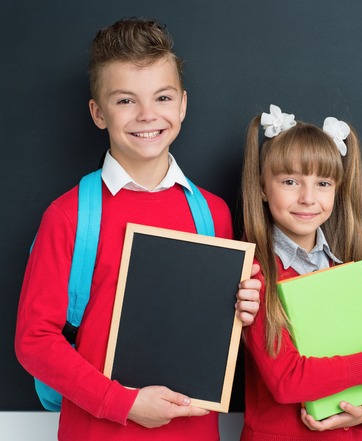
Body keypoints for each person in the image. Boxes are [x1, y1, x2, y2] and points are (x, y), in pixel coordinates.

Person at [15, 17, 260, 441]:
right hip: (98, 431)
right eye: (125, 101)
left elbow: (216, 331)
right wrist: (123, 404)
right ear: (98, 112)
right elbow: (34, 340)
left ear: (182, 105)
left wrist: (246, 308)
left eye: (162, 97)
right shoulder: (69, 215)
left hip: (194, 432)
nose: (148, 115)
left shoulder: (214, 214)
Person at [239, 104, 362, 440]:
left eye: (323, 183)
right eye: (290, 181)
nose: (308, 198)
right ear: (261, 188)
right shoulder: (254, 274)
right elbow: (288, 381)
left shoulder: (348, 268)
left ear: (338, 189)